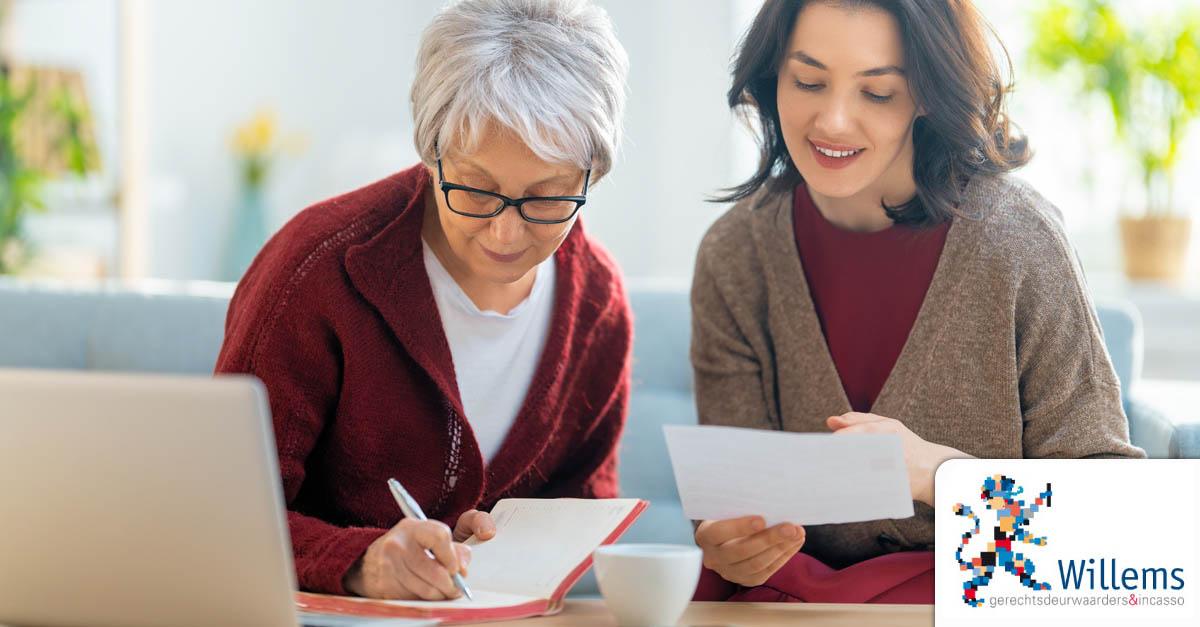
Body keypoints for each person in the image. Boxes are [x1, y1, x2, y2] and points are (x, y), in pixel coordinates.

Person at [689, 0, 1144, 604]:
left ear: (927, 94)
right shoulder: (735, 254)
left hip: (986, 599)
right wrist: (729, 542)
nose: (834, 120)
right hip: (791, 606)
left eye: (877, 93)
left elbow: (1113, 521)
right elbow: (727, 505)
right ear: (772, 76)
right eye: (807, 81)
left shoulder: (1018, 240)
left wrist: (941, 477)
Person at [215, 0, 630, 601]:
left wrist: (509, 545)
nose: (506, 233)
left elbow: (583, 508)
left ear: (593, 176)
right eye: (476, 190)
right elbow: (224, 511)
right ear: (430, 152)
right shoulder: (317, 269)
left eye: (547, 198)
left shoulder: (597, 304)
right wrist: (360, 560)